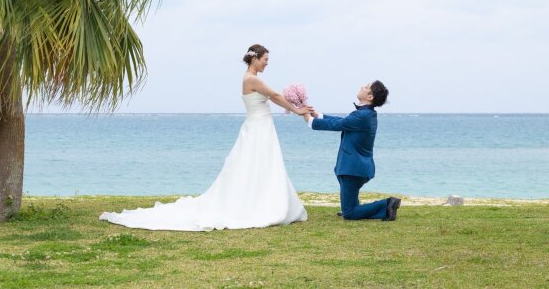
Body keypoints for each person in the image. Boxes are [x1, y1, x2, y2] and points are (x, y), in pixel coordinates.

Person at [99, 44, 312, 231]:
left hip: (260, 126)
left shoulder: (253, 79)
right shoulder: (251, 79)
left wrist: (295, 106)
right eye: (265, 59)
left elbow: (273, 97)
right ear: (255, 59)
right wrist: (297, 110)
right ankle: (258, 205)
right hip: (258, 127)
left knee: (262, 164)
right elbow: (275, 96)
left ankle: (264, 201)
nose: (267, 63)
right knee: (256, 163)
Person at [307, 81, 401, 221]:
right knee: (350, 207)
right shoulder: (366, 114)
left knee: (349, 213)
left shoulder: (362, 116)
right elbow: (344, 121)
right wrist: (317, 115)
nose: (362, 86)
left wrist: (309, 120)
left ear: (370, 97)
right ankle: (358, 207)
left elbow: (338, 124)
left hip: (353, 169)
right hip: (355, 168)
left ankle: (387, 204)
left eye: (367, 87)